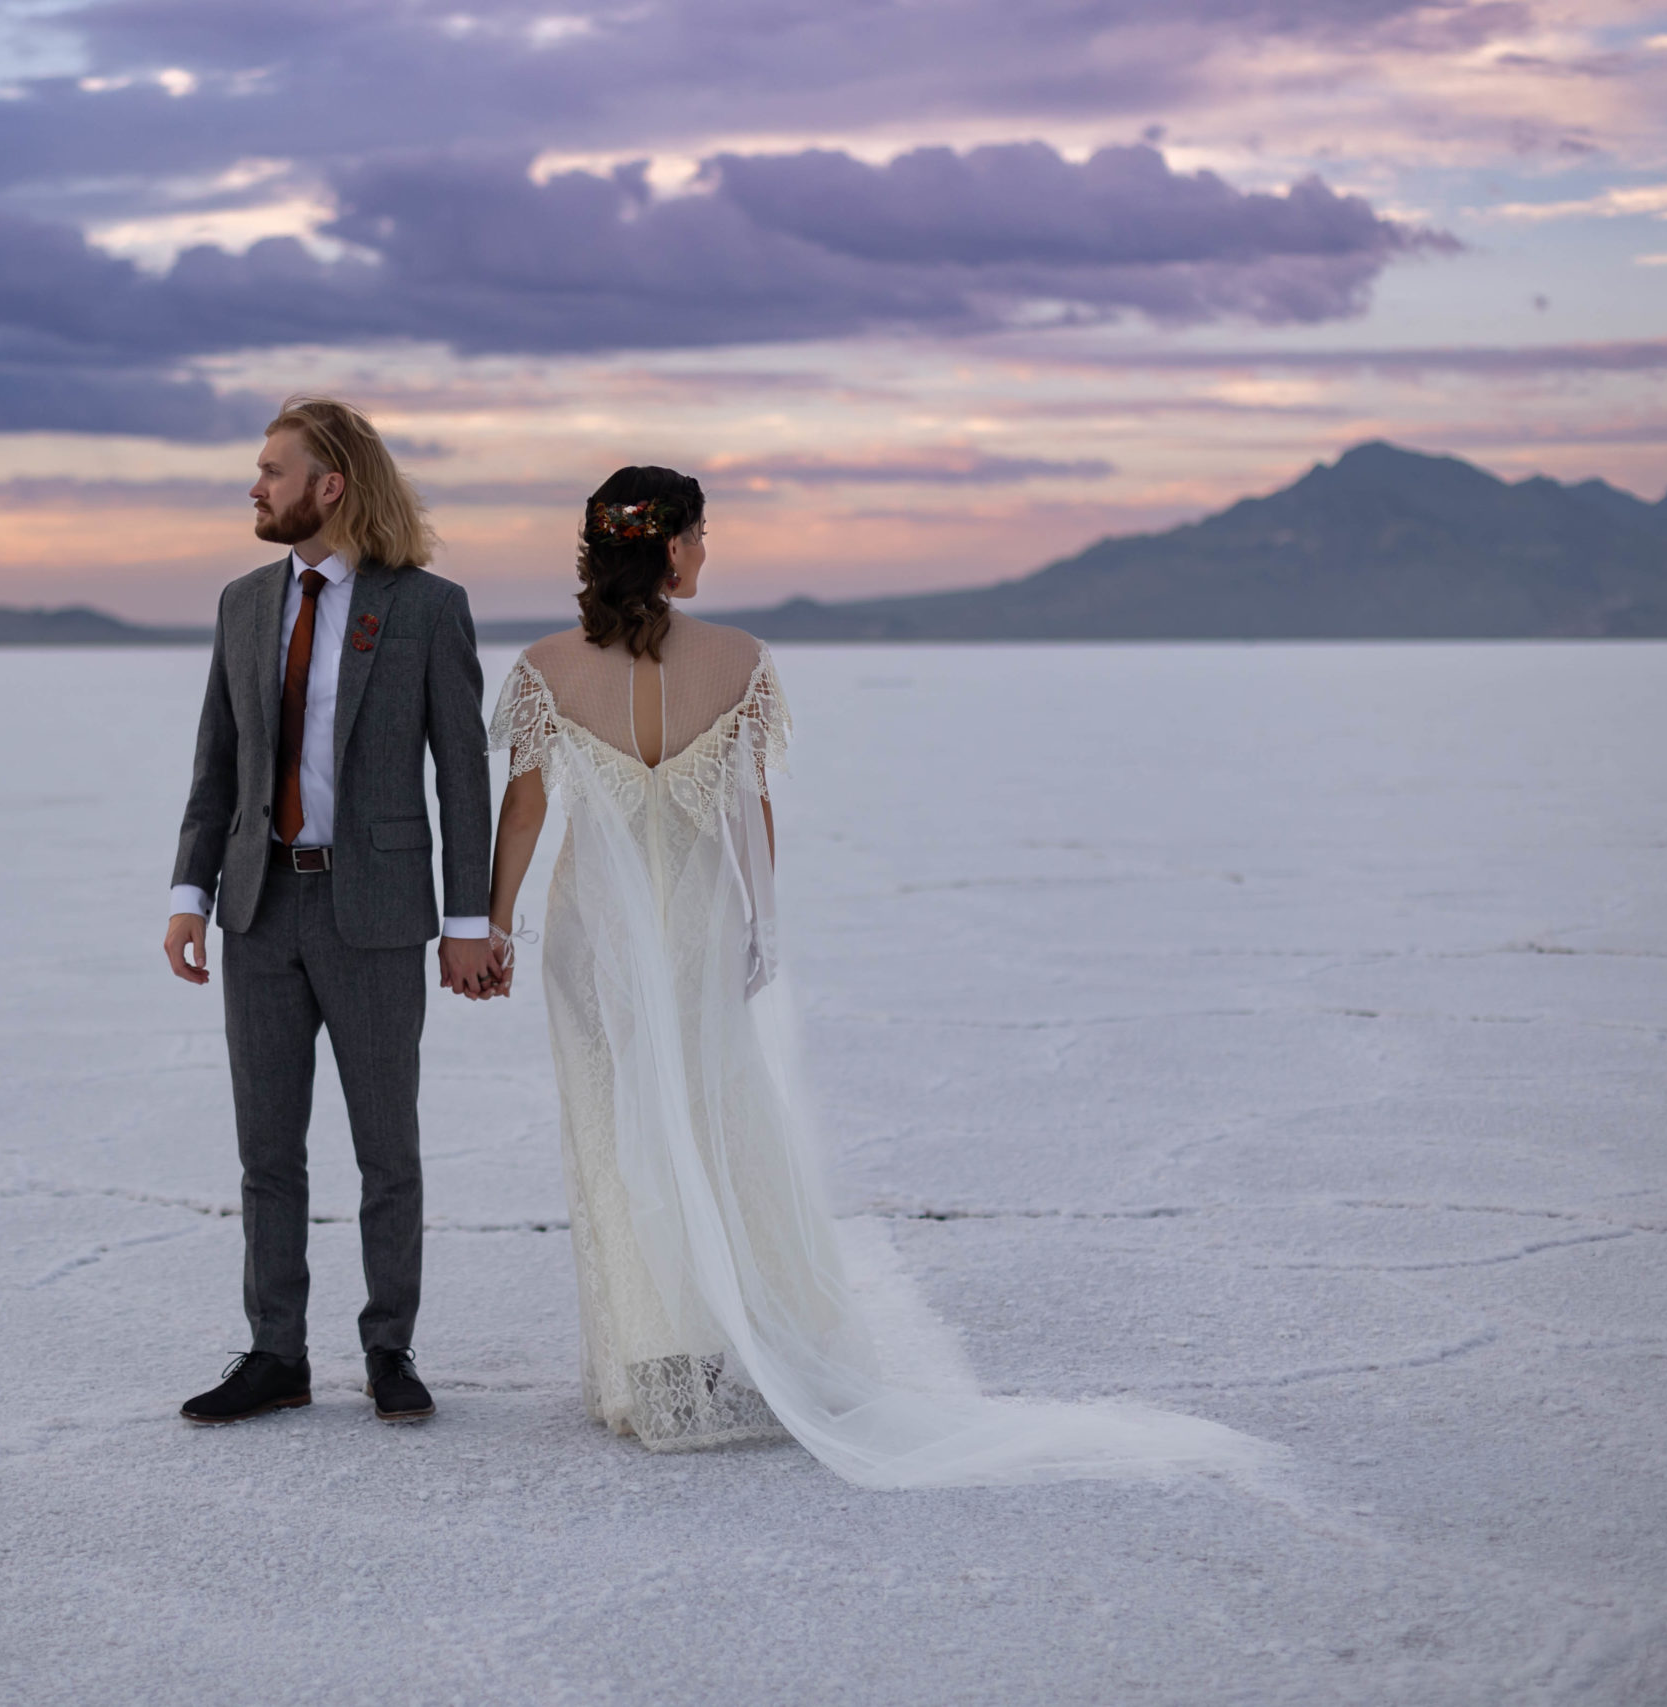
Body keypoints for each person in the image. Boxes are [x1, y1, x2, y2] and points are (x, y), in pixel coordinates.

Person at [477, 466, 1277, 1486]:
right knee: (721, 1134)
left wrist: (495, 922)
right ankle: (740, 1353)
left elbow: (528, 811)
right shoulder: (743, 662)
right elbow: (749, 816)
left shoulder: (547, 667)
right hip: (700, 936)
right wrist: (761, 930)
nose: (707, 553)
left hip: (593, 943)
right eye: (702, 536)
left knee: (620, 1139)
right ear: (671, 546)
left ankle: (657, 1370)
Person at [166, 396, 495, 1428]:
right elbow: (217, 763)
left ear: (330, 486)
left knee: (385, 1148)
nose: (254, 487)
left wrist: (468, 919)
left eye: (272, 470)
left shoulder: (427, 608)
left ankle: (387, 1346)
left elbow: (464, 777)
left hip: (379, 915)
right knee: (267, 1150)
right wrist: (189, 892)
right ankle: (277, 1354)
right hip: (257, 912)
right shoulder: (241, 604)